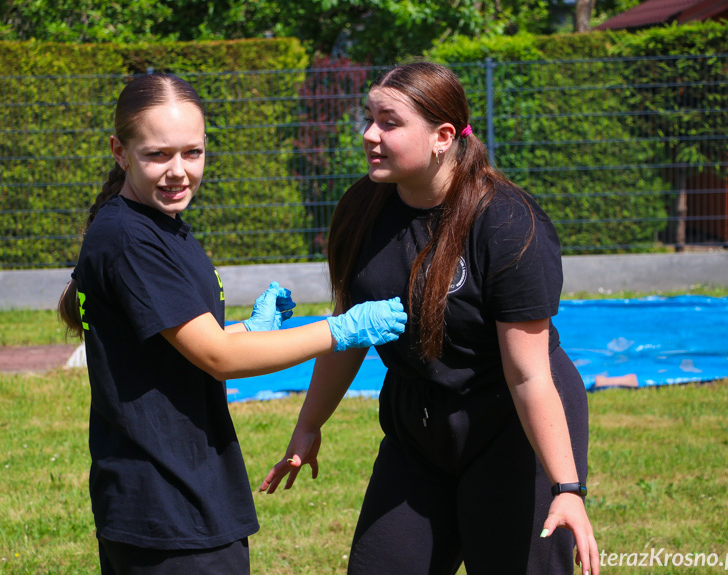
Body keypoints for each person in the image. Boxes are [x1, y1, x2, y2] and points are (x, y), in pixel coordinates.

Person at [57, 72, 407, 575]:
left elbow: (190, 343)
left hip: (179, 493)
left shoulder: (158, 225)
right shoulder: (131, 239)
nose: (178, 171)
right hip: (166, 504)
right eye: (158, 155)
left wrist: (250, 328)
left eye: (192, 153)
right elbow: (217, 358)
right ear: (119, 150)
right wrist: (343, 329)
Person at [261, 60, 600, 575]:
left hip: (511, 430)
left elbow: (529, 372)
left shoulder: (508, 223)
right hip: (416, 431)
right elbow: (348, 327)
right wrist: (308, 425)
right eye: (369, 117)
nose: (369, 134)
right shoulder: (361, 207)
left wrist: (567, 488)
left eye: (389, 122)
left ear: (443, 136)